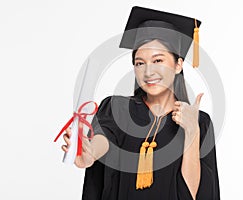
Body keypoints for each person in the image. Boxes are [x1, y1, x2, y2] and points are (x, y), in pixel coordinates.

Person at [61, 6, 220, 200]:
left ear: (178, 65)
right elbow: (104, 139)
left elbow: (195, 194)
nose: (148, 72)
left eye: (158, 60)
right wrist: (90, 152)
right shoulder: (116, 109)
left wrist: (191, 131)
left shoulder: (200, 122)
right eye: (139, 63)